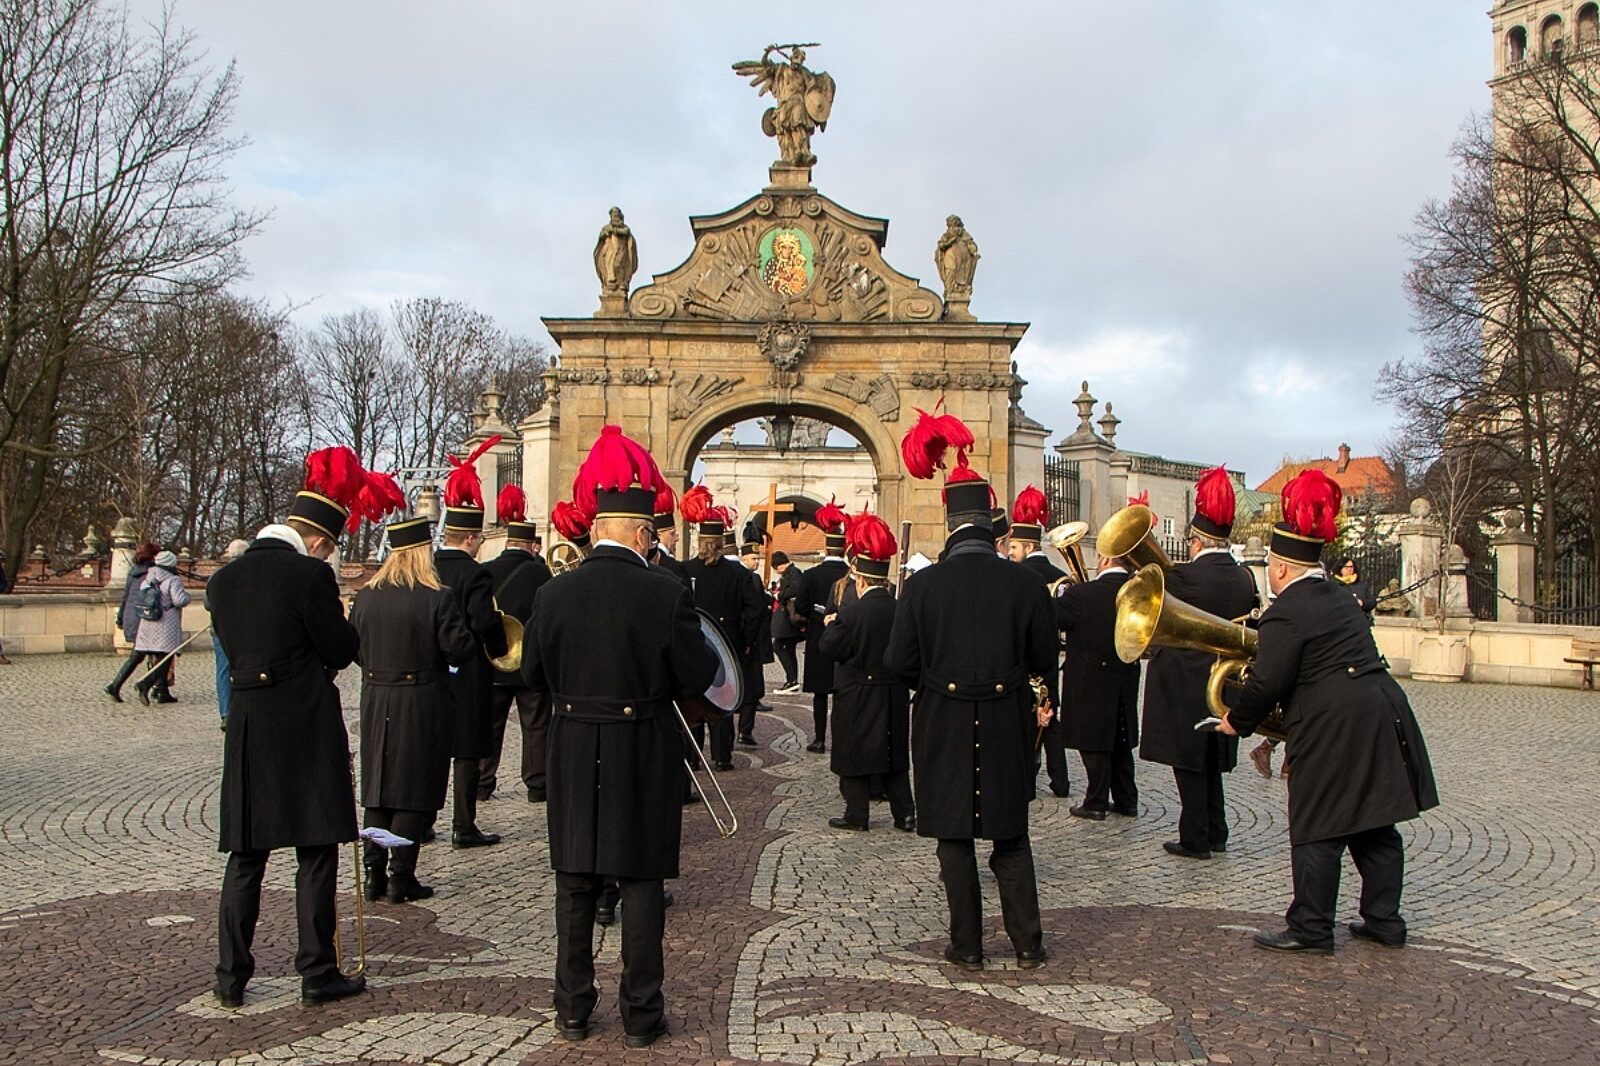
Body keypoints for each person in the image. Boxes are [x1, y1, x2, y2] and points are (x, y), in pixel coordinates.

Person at [522, 425, 718, 1048]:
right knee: (639, 882)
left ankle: (572, 1008)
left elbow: (531, 675)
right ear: (641, 534)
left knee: (576, 880)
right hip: (643, 747)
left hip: (573, 744)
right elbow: (699, 673)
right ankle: (640, 1013)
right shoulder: (665, 591)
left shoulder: (552, 592)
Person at [1218, 469, 1438, 954]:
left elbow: (1267, 681)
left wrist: (1237, 720)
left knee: (1317, 825)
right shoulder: (1340, 595)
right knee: (1374, 822)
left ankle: (1312, 927)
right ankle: (1385, 921)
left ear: (1280, 566)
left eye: (1270, 566)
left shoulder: (1287, 609)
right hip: (1380, 706)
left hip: (1334, 723)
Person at [885, 412, 1057, 971]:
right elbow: (1043, 660)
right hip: (1006, 719)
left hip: (943, 719)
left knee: (954, 842)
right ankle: (1028, 944)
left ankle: (967, 945)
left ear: (950, 522)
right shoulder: (1026, 584)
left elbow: (898, 662)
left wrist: (935, 680)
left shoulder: (923, 586)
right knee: (1011, 837)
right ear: (991, 523)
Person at [208, 446, 367, 1008]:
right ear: (319, 541)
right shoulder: (310, 576)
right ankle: (317, 970)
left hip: (250, 724)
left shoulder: (222, 582)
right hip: (305, 724)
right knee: (316, 851)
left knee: (246, 856)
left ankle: (231, 976)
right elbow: (341, 650)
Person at [351, 514, 478, 903]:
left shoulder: (367, 596)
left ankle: (373, 873)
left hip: (377, 695)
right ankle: (401, 876)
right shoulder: (436, 596)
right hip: (421, 698)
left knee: (378, 788)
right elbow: (459, 648)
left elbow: (354, 648)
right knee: (411, 789)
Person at [1138, 466, 1259, 860]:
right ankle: (1217, 830)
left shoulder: (1185, 578)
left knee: (1189, 765)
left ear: (1196, 540)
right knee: (1210, 761)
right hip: (1224, 684)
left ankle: (1195, 837)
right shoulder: (1244, 578)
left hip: (1184, 685)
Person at [434, 437, 510, 849]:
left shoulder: (426, 567)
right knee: (466, 751)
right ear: (470, 538)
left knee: (430, 746)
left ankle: (422, 820)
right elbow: (483, 620)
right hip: (467, 671)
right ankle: (463, 825)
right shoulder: (476, 574)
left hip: (431, 670)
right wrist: (498, 645)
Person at [820, 513, 914, 832]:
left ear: (860, 581)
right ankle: (905, 814)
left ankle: (857, 814)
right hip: (893, 690)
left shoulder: (852, 613)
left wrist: (831, 626)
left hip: (857, 691)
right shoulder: (900, 610)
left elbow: (830, 648)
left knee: (854, 753)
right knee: (894, 754)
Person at [479, 488, 553, 803]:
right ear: (530, 545)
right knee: (536, 725)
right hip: (530, 665)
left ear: (508, 542)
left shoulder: (486, 570)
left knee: (490, 725)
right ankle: (537, 784)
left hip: (493, 660)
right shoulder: (541, 572)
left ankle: (482, 782)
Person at [681, 487, 763, 772]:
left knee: (695, 697)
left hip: (695, 641)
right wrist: (747, 639)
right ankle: (721, 755)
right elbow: (755, 610)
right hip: (729, 642)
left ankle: (693, 756)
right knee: (723, 698)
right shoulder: (738, 573)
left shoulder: (686, 569)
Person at [1057, 547, 1140, 820]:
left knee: (1094, 743)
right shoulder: (1137, 593)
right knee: (1121, 738)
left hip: (1090, 679)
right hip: (1125, 676)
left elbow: (1055, 619)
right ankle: (1126, 799)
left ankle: (1096, 802)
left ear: (1104, 559)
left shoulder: (1081, 594)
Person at [1007, 485, 1072, 799]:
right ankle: (1061, 782)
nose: (1010, 553)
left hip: (1024, 657)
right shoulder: (1060, 574)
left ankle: (1027, 779)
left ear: (1027, 546)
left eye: (1014, 547)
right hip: (1050, 658)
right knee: (1051, 718)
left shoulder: (1016, 577)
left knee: (1026, 719)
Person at [797, 498, 849, 752]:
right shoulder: (851, 576)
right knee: (841, 692)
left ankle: (819, 739)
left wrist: (812, 618)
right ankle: (840, 739)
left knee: (819, 694)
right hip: (846, 638)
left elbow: (800, 608)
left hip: (818, 637)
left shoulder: (811, 575)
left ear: (826, 548)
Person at [131, 550, 192, 706]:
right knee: (165, 658)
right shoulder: (172, 579)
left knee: (158, 657)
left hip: (149, 622)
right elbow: (179, 600)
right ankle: (146, 683)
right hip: (166, 623)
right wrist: (187, 597)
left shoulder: (148, 578)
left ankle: (162, 692)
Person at [104, 542, 158, 702]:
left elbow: (126, 596)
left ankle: (160, 689)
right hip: (144, 616)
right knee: (149, 653)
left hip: (131, 614)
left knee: (150, 653)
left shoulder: (133, 571)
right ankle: (116, 685)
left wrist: (121, 617)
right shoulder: (153, 572)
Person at [738, 541, 775, 745]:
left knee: (752, 686)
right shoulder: (744, 577)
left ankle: (745, 730)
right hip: (746, 639)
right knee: (749, 685)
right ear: (743, 558)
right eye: (753, 558)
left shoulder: (755, 578)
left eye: (758, 558)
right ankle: (743, 730)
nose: (757, 562)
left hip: (752, 639)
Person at [211, 539, 250, 729]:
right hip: (245, 628)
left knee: (223, 669)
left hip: (220, 627)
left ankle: (226, 712)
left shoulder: (218, 575)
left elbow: (208, 603)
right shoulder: (251, 576)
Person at [770, 552, 804, 692]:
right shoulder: (791, 573)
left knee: (778, 645)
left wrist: (780, 595)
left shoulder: (793, 572)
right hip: (788, 616)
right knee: (788, 648)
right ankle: (792, 680)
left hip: (789, 617)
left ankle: (792, 680)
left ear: (778, 566)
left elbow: (796, 589)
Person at [1332, 556, 1377, 624]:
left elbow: (1372, 601)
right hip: (1340, 622)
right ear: (1340, 568)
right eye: (1346, 567)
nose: (1349, 569)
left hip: (1360, 621)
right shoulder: (1332, 584)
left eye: (1351, 567)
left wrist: (1362, 603)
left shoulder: (1362, 585)